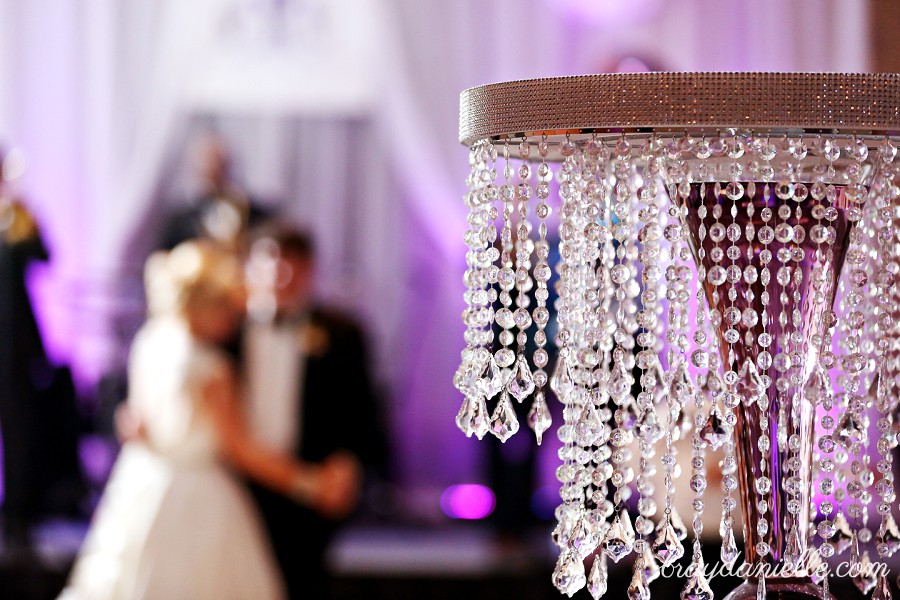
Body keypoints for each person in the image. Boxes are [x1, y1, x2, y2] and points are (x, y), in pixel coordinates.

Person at [60, 241, 357, 600]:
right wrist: (312, 484)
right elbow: (240, 449)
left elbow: (135, 414)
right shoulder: (211, 367)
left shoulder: (152, 339)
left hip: (143, 482)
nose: (234, 317)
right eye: (228, 308)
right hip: (199, 498)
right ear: (207, 305)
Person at [243, 225, 384, 599]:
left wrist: (350, 464)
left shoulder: (342, 333)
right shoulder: (227, 332)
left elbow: (363, 410)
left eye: (291, 265)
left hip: (310, 483)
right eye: (270, 264)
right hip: (236, 482)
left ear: (309, 270)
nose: (279, 276)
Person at [157, 133, 270, 253]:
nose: (214, 170)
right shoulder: (180, 222)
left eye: (220, 164)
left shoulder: (251, 214)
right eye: (206, 163)